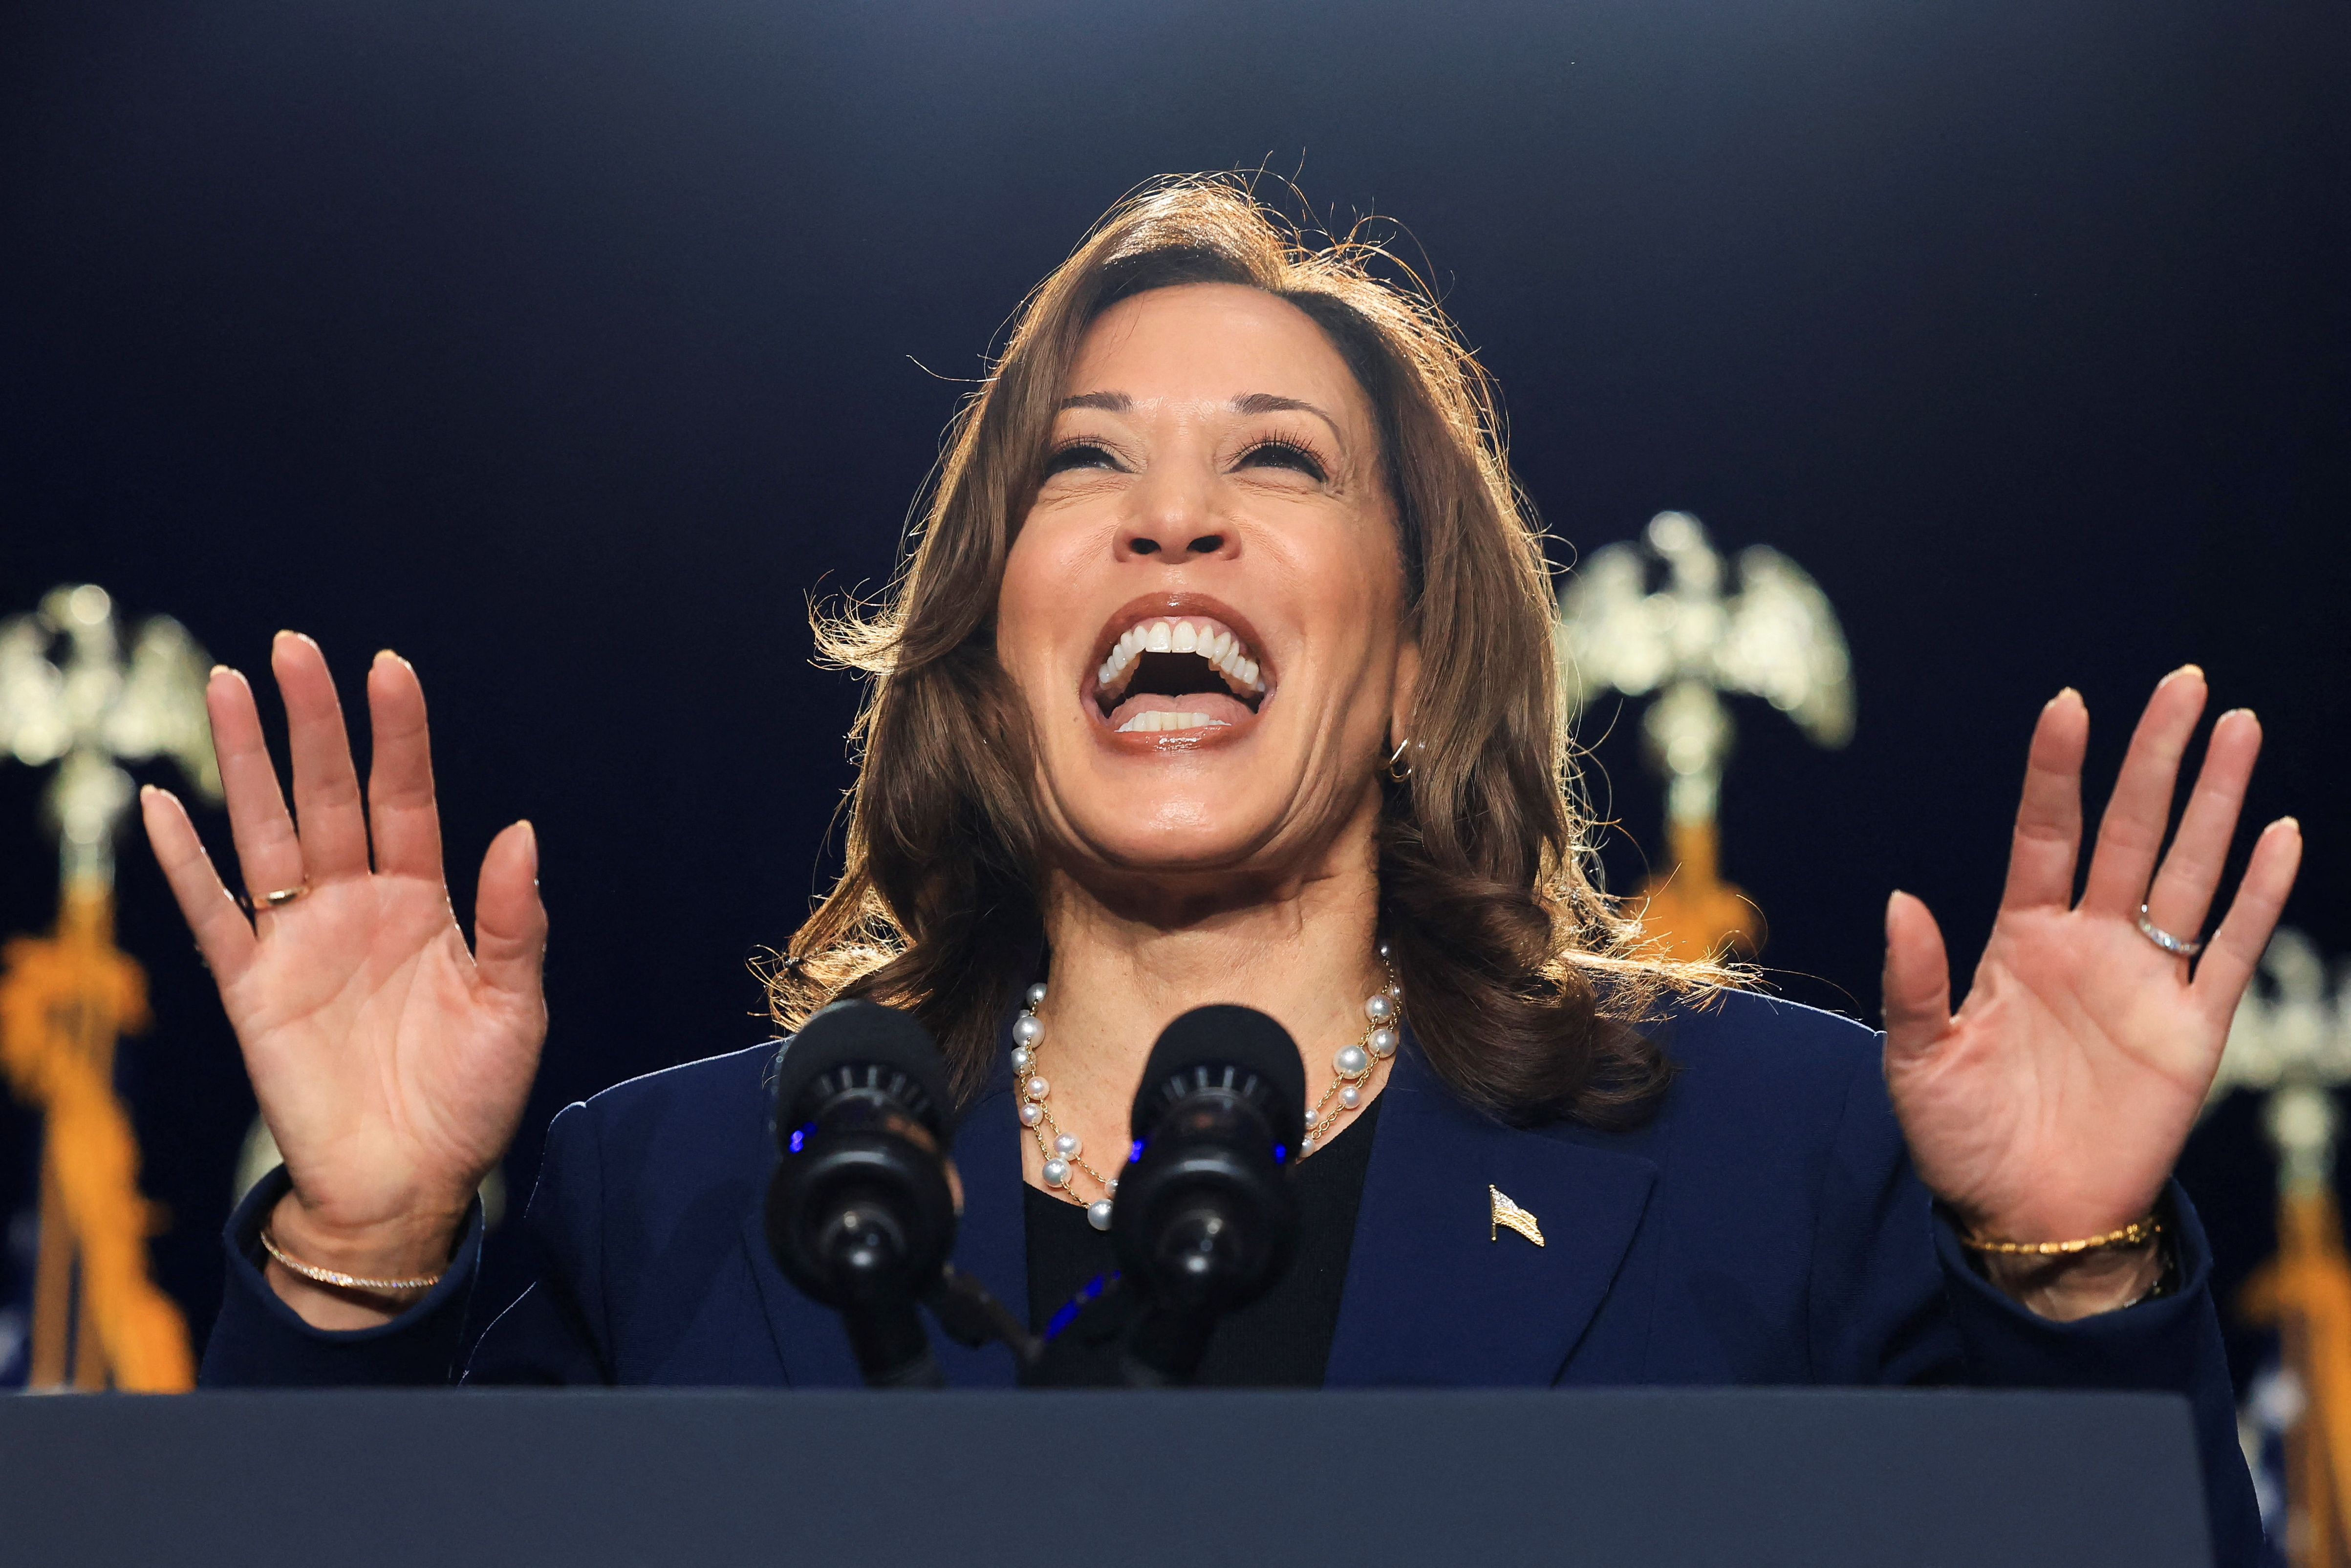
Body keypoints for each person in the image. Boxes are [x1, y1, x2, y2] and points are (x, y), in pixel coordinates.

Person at [144, 177, 2297, 1559]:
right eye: (1083, 467)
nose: (1171, 518)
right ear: (994, 652)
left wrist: (2074, 1276)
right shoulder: (680, 1198)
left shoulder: (1772, 1153)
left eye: (1279, 460)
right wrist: (359, 1251)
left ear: (1414, 660)